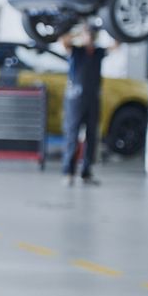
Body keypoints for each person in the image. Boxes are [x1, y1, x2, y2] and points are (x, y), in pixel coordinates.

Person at [59, 24, 118, 186]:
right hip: (76, 100)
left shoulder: (98, 52)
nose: (90, 36)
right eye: (88, 34)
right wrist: (78, 32)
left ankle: (86, 173)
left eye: (92, 34)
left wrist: (111, 27)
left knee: (92, 136)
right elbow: (63, 41)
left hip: (93, 100)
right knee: (72, 135)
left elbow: (116, 45)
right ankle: (68, 172)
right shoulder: (76, 51)